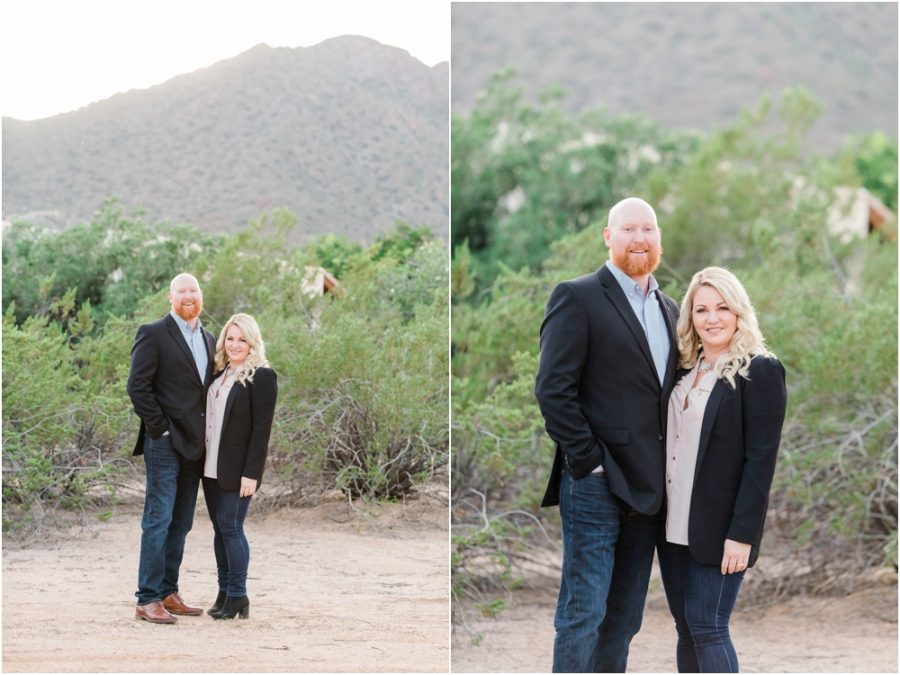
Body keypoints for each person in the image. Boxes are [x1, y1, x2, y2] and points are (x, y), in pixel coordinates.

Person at [535, 197, 680, 672]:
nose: (640, 238)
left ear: (659, 238)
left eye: (649, 229)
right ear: (608, 236)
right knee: (583, 613)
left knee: (623, 618)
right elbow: (553, 389)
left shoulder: (671, 309)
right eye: (629, 229)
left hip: (648, 490)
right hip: (595, 484)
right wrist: (588, 460)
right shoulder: (577, 296)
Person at [659, 266, 787, 672]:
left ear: (738, 313)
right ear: (690, 318)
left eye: (722, 308)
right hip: (671, 523)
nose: (712, 318)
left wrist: (742, 535)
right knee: (686, 628)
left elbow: (760, 461)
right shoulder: (681, 370)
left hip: (722, 529)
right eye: (701, 310)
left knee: (709, 626)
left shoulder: (760, 370)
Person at [127, 272, 215, 624]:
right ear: (170, 297)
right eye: (182, 291)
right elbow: (138, 386)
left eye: (193, 290)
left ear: (201, 295)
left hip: (196, 444)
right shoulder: (153, 333)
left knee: (181, 521)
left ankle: (168, 591)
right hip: (164, 443)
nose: (188, 295)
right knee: (159, 519)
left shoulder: (209, 338)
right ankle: (146, 598)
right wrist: (159, 429)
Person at [202, 313, 277, 620]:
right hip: (210, 465)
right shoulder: (219, 373)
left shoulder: (261, 376)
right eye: (230, 338)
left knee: (233, 529)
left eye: (241, 339)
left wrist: (252, 474)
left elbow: (262, 429)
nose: (235, 345)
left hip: (238, 470)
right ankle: (224, 592)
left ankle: (238, 595)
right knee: (220, 530)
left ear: (252, 342)